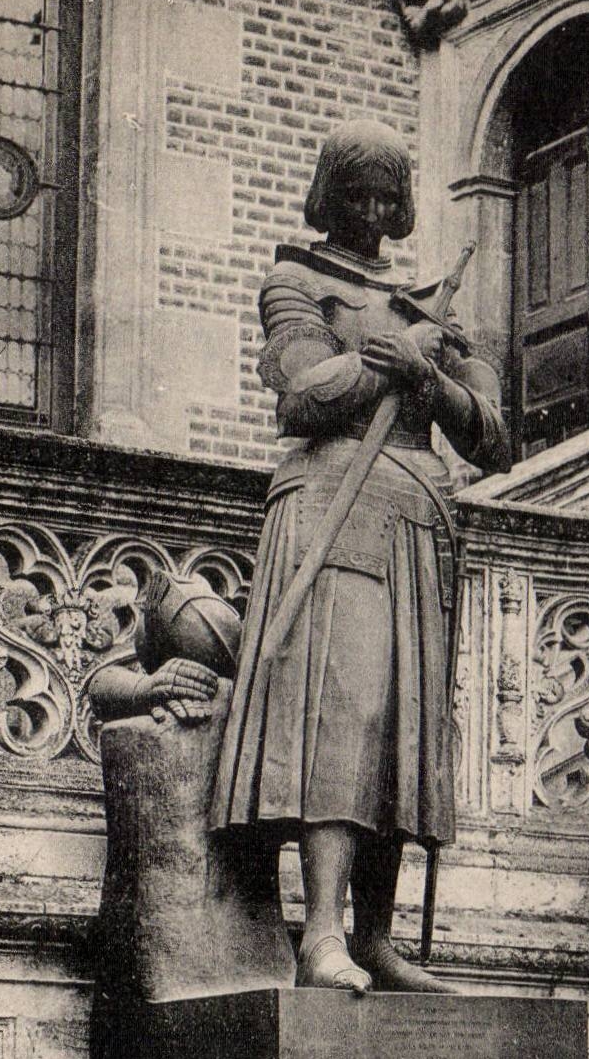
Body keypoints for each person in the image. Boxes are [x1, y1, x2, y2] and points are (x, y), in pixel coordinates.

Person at [210, 119, 511, 992]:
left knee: (402, 727)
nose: (374, 213)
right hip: (331, 505)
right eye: (357, 195)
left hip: (419, 517)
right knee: (341, 717)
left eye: (387, 197)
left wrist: (430, 380)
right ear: (328, 196)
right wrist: (388, 365)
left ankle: (376, 937)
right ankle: (320, 934)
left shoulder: (434, 301)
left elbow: (492, 437)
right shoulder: (296, 281)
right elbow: (301, 395)